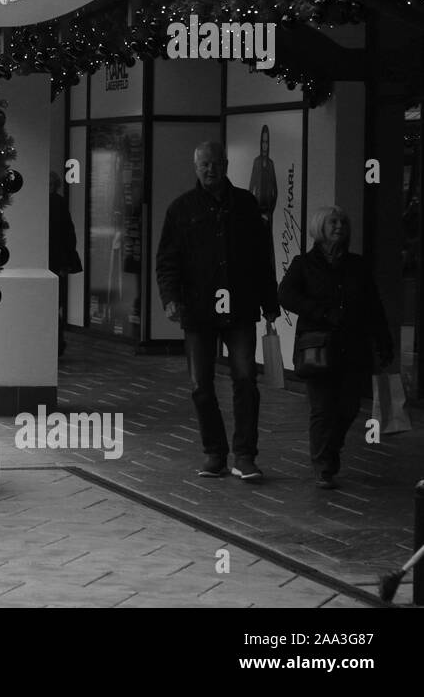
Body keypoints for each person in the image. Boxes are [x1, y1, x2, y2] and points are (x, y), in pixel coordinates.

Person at [156, 140, 280, 482]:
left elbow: (261, 257)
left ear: (226, 165)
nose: (211, 170)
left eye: (216, 163)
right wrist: (170, 298)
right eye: (204, 165)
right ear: (196, 168)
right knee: (201, 384)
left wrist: (270, 303)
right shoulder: (181, 209)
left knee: (245, 379)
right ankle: (214, 453)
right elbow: (167, 260)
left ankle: (244, 455)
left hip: (240, 305)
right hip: (198, 308)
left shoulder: (245, 204)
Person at [278, 206, 392, 490]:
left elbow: (373, 306)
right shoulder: (303, 264)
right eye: (333, 222)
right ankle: (323, 467)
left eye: (343, 222)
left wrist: (384, 340)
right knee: (322, 407)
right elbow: (286, 295)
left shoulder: (358, 265)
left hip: (353, 346)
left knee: (349, 406)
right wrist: (321, 312)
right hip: (317, 346)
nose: (339, 226)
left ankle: (331, 448)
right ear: (320, 227)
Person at [48, 171, 82, 354]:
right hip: (56, 262)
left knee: (51, 306)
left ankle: (56, 343)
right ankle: (57, 343)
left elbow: (66, 234)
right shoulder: (59, 203)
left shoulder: (50, 204)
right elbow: (68, 234)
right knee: (55, 305)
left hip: (51, 260)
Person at [249, 125, 279, 280]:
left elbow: (275, 188)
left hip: (268, 211)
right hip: (257, 210)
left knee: (268, 243)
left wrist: (270, 210)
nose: (265, 146)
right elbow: (251, 186)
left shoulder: (271, 164)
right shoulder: (256, 162)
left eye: (267, 142)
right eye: (263, 142)